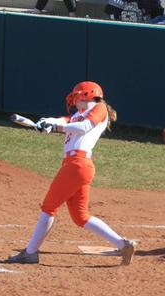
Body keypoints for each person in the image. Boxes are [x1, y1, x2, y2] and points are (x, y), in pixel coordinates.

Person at [8, 81, 137, 265]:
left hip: (77, 164)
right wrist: (47, 122)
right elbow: (63, 120)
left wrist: (57, 128)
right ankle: (124, 245)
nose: (74, 100)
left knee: (49, 207)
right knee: (80, 216)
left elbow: (84, 127)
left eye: (77, 96)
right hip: (76, 166)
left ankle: (30, 253)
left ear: (87, 95)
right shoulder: (77, 115)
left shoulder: (99, 108)